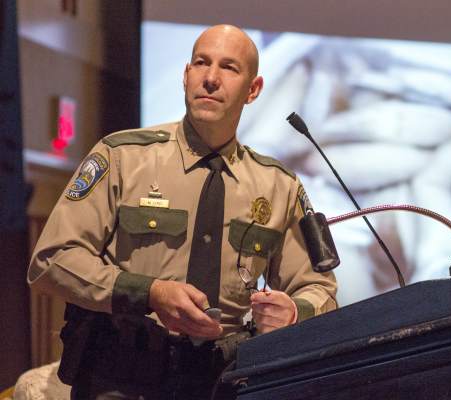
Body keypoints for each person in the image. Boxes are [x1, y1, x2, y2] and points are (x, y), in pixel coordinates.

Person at [27, 24, 337, 399]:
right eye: (201, 63)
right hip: (121, 377)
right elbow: (52, 260)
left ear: (253, 90)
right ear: (185, 75)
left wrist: (294, 312)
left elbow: (320, 288)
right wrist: (151, 293)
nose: (211, 78)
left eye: (229, 67)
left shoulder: (279, 186)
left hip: (222, 383)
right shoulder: (122, 157)